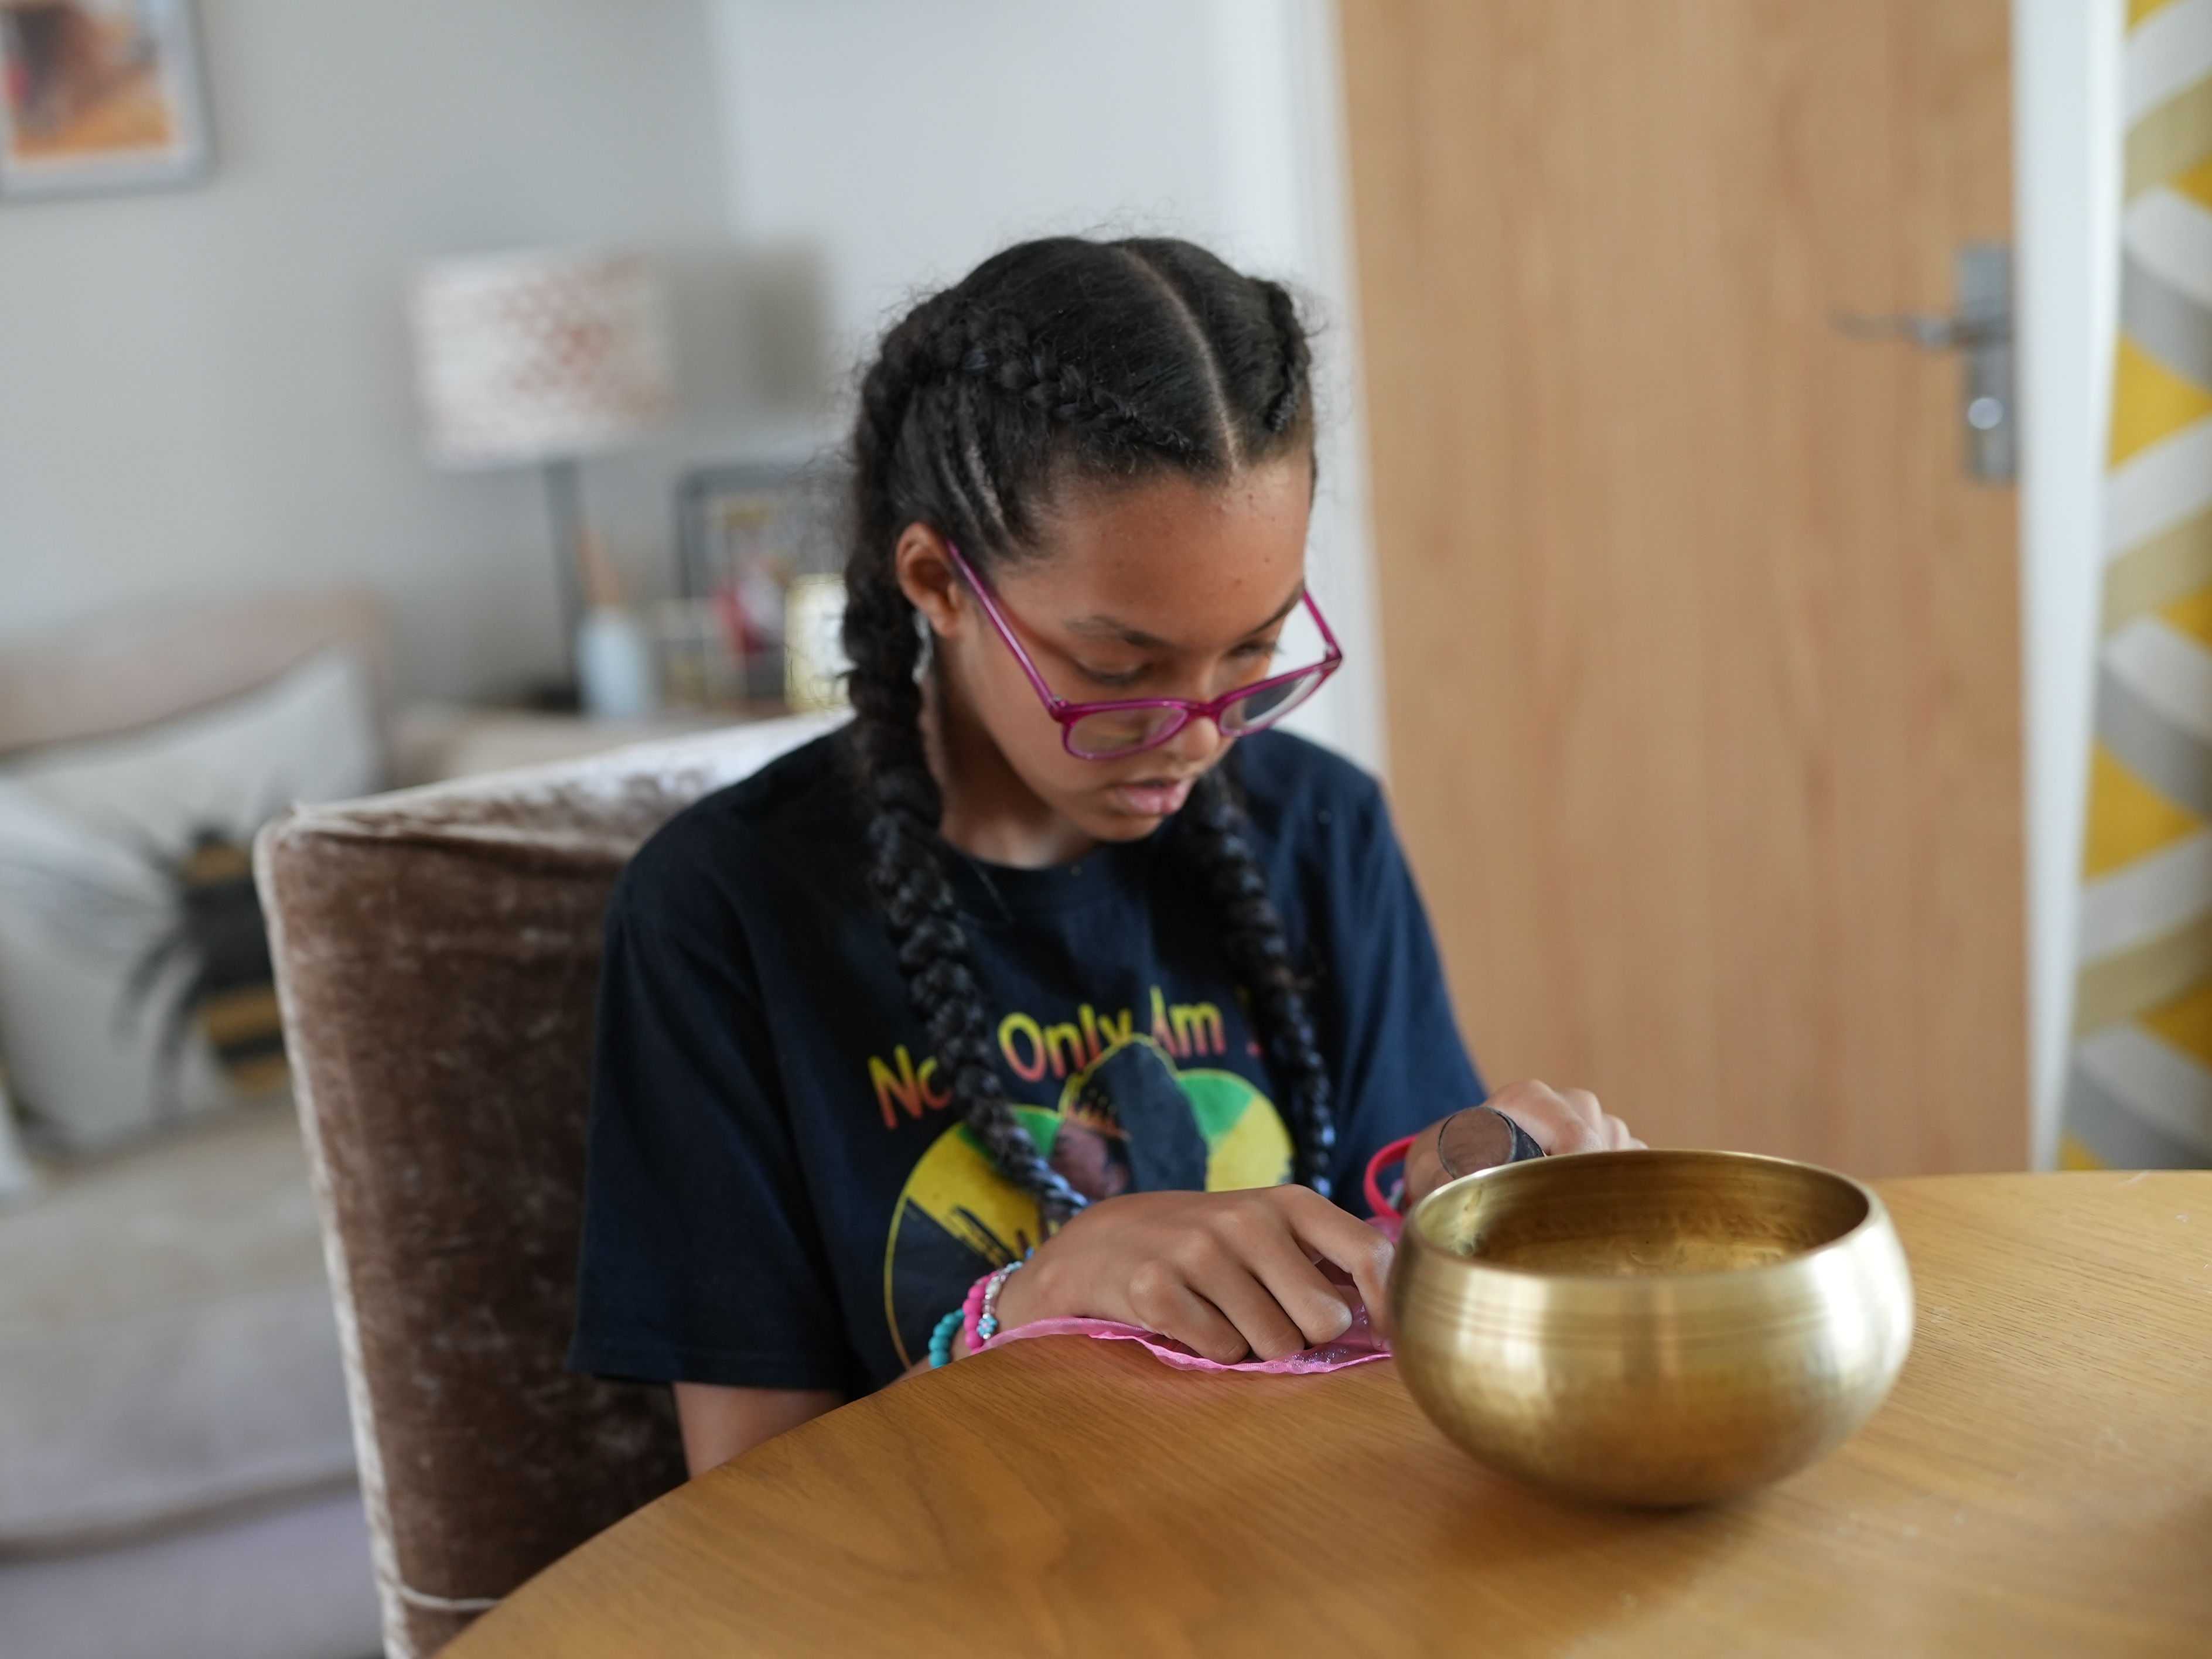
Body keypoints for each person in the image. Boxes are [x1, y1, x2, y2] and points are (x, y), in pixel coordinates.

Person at [570, 236, 1640, 1477]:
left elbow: (1399, 1282)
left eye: (1251, 651)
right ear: (937, 581)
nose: (1194, 738)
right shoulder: (724, 914)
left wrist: (1488, 1192)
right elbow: (749, 1500)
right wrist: (1030, 1305)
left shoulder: (1320, 829)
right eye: (1117, 671)